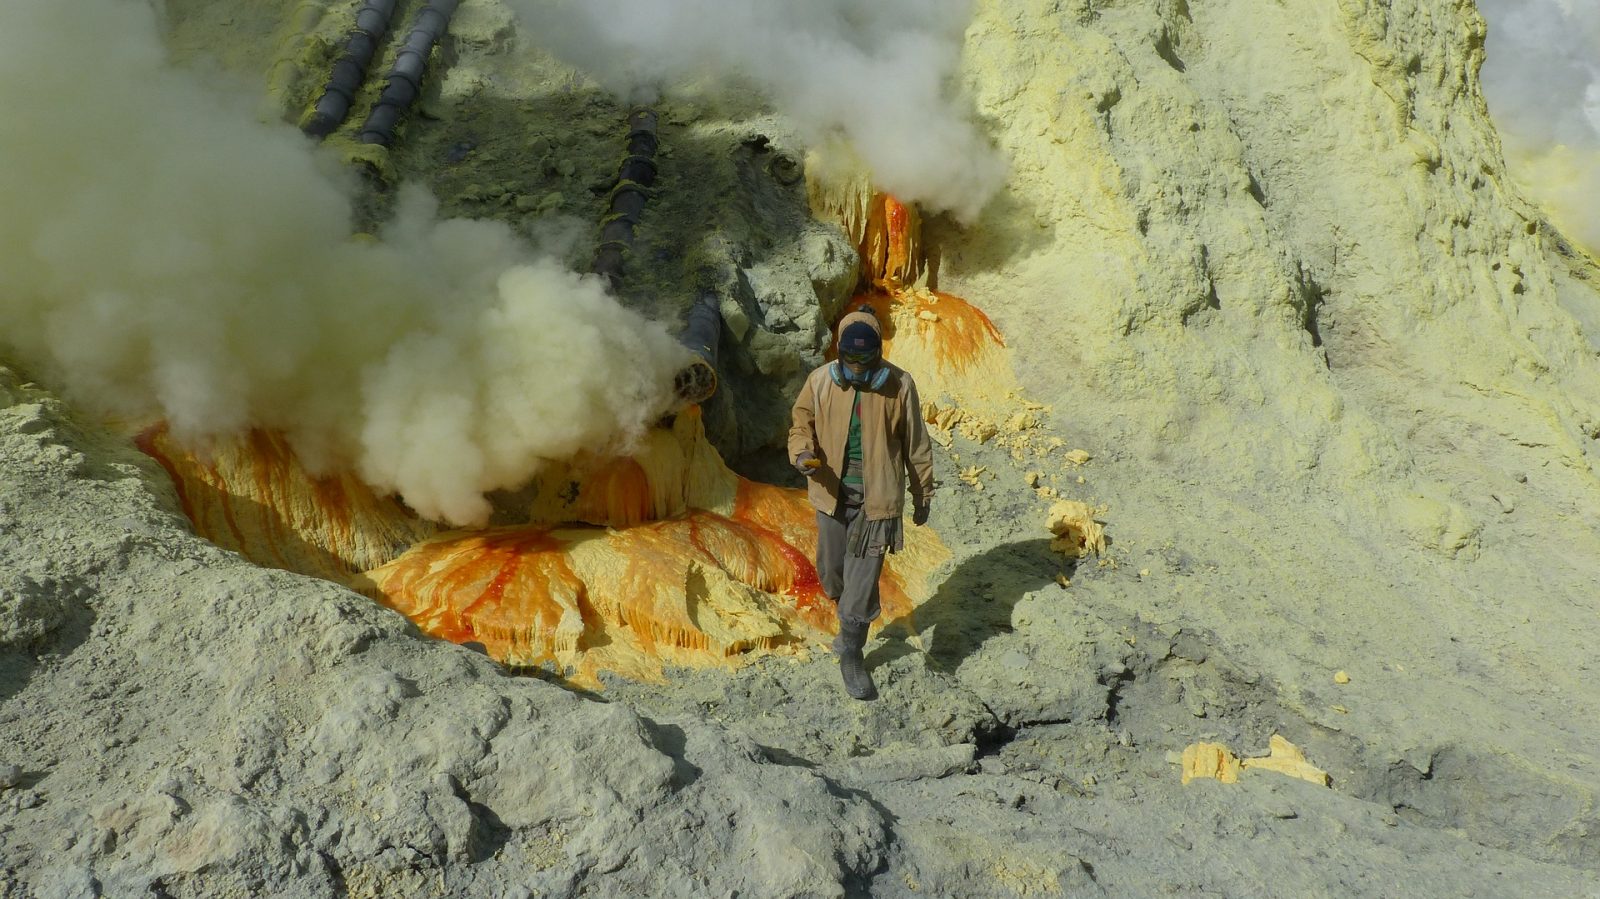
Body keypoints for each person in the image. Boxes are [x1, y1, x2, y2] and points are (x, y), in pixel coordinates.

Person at [788, 306, 935, 700]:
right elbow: (801, 423)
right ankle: (847, 617)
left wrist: (923, 493)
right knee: (832, 573)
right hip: (830, 494)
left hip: (878, 500)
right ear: (839, 352)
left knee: (861, 581)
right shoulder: (820, 381)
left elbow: (916, 444)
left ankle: (852, 654)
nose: (855, 367)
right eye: (848, 359)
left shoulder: (900, 385)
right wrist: (802, 454)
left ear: (877, 354)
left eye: (863, 359)